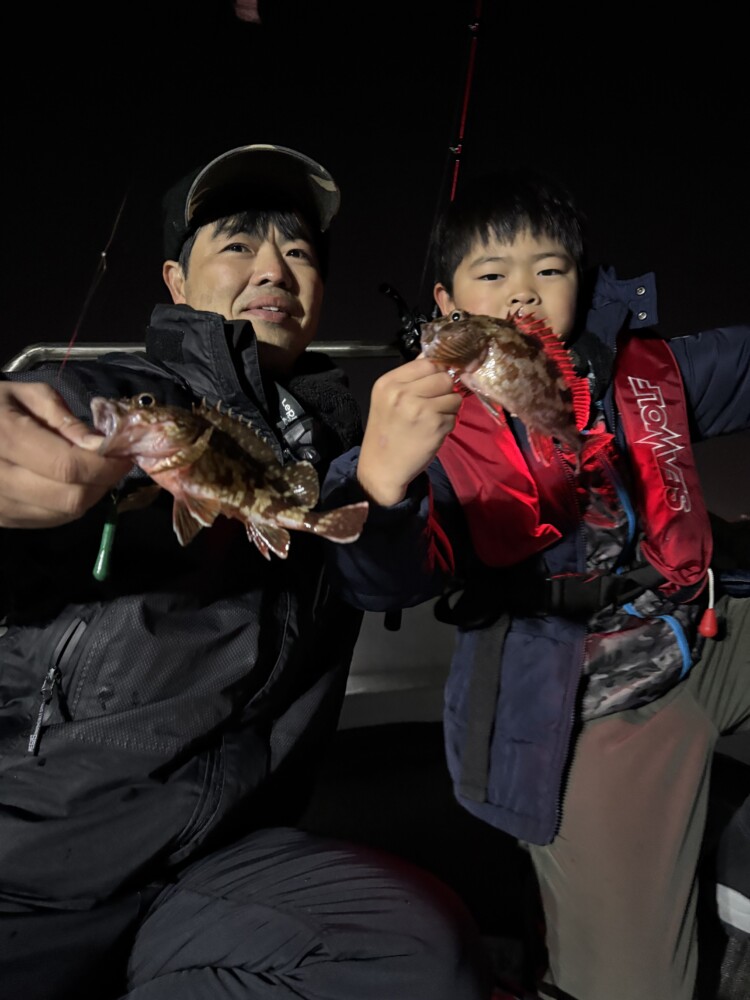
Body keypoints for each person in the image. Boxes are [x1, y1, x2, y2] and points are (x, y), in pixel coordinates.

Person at [0, 143, 494, 1000]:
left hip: (217, 861)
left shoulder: (343, 448)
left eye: (299, 251)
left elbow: (392, 579)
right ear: (175, 280)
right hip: (39, 848)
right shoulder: (117, 394)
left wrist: (380, 489)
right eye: (237, 244)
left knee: (422, 954)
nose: (273, 268)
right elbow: (54, 416)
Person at [320, 165, 750, 1000]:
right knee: (631, 987)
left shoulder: (639, 371)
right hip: (585, 703)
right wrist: (379, 486)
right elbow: (375, 578)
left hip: (704, 628)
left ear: (579, 283)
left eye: (549, 269)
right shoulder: (431, 414)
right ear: (446, 303)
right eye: (492, 274)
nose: (523, 292)